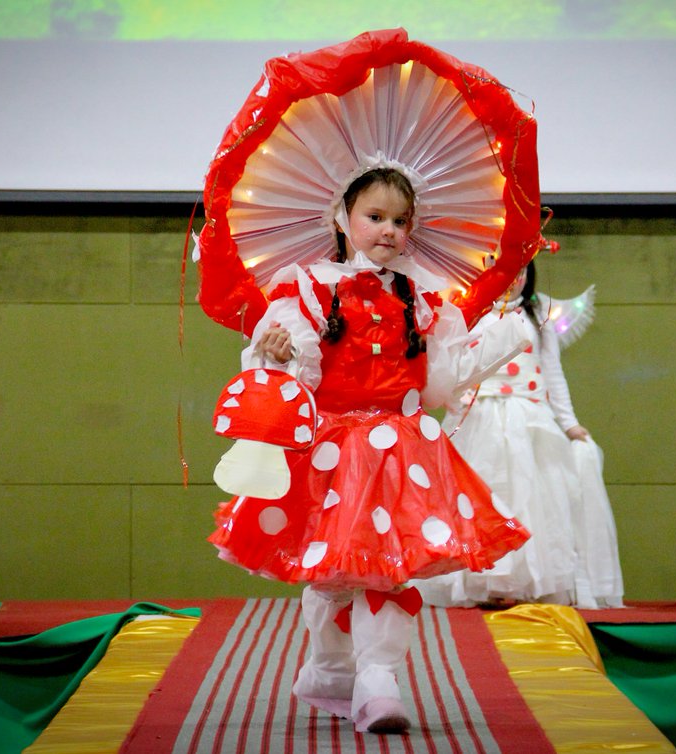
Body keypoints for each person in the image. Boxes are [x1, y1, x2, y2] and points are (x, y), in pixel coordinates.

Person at [208, 166, 534, 734]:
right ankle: (332, 668)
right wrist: (278, 351)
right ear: (342, 217)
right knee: (334, 571)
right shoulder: (308, 286)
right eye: (375, 217)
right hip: (331, 448)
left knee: (387, 571)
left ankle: (378, 679)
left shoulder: (424, 295)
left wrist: (491, 342)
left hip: (401, 447)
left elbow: (435, 387)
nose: (389, 230)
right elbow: (293, 378)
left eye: (400, 221)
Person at [413, 259, 625, 609]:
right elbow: (451, 367)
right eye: (502, 271)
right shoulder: (470, 314)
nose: (513, 279)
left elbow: (553, 374)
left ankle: (526, 581)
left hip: (529, 418)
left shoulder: (537, 316)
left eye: (520, 271)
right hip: (477, 417)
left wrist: (569, 423)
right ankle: (483, 577)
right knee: (482, 495)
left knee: (533, 499)